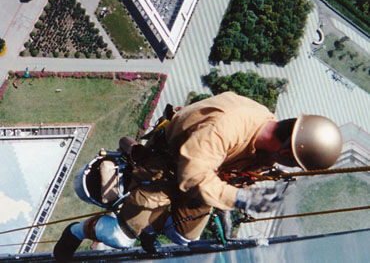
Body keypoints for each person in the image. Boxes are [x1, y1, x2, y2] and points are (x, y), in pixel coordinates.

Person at [54, 91, 343, 261]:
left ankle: (151, 229)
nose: (287, 168)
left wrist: (243, 193)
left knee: (182, 238)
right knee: (118, 237)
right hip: (166, 169)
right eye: (292, 163)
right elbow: (190, 178)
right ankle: (77, 231)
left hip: (206, 176)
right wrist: (240, 199)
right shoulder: (227, 127)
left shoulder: (267, 138)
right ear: (285, 151)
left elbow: (216, 177)